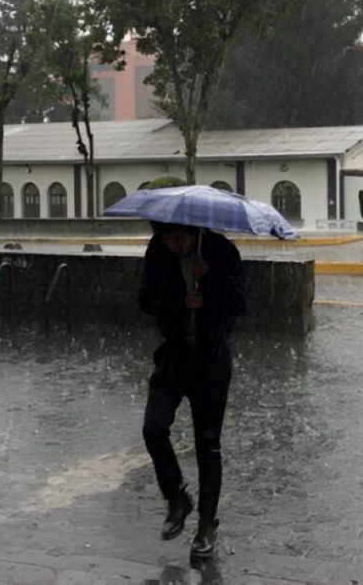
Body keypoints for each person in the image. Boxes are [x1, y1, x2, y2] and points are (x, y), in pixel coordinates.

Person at [139, 221, 245, 560]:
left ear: (195, 231)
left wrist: (209, 282)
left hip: (211, 359)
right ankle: (176, 497)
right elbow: (146, 301)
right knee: (153, 427)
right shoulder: (159, 250)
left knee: (208, 444)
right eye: (168, 239)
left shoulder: (222, 251)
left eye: (179, 238)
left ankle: (206, 525)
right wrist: (180, 300)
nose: (174, 245)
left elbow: (238, 305)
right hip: (174, 356)